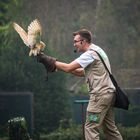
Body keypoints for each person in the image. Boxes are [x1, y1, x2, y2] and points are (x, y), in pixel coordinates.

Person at [37, 29, 123, 140]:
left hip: (99, 96)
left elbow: (68, 67)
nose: (74, 44)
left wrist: (48, 60)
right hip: (109, 94)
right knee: (110, 129)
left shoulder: (90, 54)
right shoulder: (98, 50)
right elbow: (80, 72)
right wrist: (56, 66)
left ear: (83, 41)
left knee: (90, 127)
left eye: (76, 41)